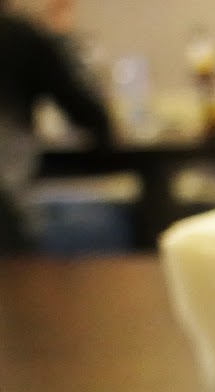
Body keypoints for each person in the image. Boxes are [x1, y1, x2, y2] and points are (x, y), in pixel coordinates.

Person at [0, 0, 112, 253]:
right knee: (113, 223)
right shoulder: (19, 36)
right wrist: (59, 37)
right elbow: (92, 116)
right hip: (7, 214)